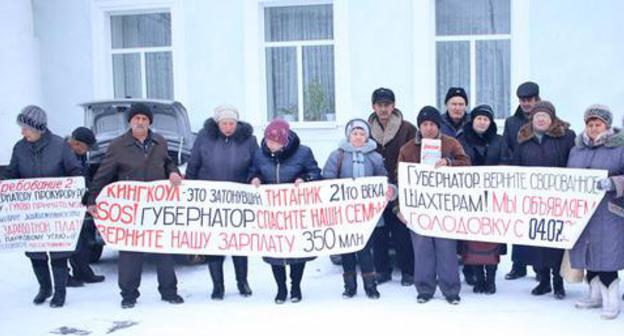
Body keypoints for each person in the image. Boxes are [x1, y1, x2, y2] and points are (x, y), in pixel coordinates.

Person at [86, 103, 184, 309]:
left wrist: (173, 171)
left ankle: (169, 291)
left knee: (164, 248)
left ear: (150, 122)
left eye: (144, 119)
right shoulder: (117, 146)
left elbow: (168, 162)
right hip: (131, 209)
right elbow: (103, 173)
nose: (140, 122)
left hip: (158, 207)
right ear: (130, 121)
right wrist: (92, 198)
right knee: (130, 252)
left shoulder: (160, 142)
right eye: (136, 119)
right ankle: (129, 294)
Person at [4, 105, 83, 307]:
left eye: (26, 128)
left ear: (38, 128)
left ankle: (59, 292)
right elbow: (12, 174)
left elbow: (75, 171)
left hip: (57, 211)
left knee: (58, 252)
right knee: (35, 252)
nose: (22, 132)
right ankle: (44, 287)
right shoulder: (19, 148)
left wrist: (78, 190)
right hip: (31, 213)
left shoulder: (60, 146)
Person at [397, 106, 471, 304]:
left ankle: (451, 290)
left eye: (432, 124)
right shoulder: (407, 149)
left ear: (438, 125)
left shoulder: (451, 143)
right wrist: (400, 208)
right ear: (419, 126)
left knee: (446, 248)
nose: (428, 128)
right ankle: (424, 288)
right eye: (424, 124)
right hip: (419, 207)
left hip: (444, 207)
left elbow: (467, 164)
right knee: (422, 249)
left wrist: (449, 162)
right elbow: (401, 180)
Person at [185, 105, 258, 300]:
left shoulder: (249, 140)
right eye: (224, 123)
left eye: (231, 123)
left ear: (237, 123)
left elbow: (255, 165)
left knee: (239, 243)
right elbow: (194, 163)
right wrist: (188, 189)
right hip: (210, 201)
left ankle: (242, 282)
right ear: (218, 124)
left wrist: (254, 179)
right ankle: (218, 286)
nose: (228, 127)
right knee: (214, 243)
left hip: (238, 201)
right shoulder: (204, 137)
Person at [249, 119, 321, 304]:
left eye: (276, 142)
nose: (272, 146)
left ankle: (295, 286)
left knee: (297, 249)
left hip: (296, 211)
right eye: (269, 141)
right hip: (272, 212)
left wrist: (303, 179)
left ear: (285, 141)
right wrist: (255, 179)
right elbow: (253, 171)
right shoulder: (259, 154)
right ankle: (281, 289)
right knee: (275, 250)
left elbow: (315, 173)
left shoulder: (303, 152)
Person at [513, 101, 575, 300]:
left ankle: (558, 282)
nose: (541, 119)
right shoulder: (523, 138)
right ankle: (543, 281)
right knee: (537, 241)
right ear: (532, 118)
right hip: (533, 200)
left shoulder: (567, 137)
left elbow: (573, 164)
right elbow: (517, 165)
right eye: (537, 116)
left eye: (545, 116)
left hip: (558, 200)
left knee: (555, 240)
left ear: (552, 118)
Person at [567, 105, 623, 319]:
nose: (593, 128)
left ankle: (612, 300)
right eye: (589, 124)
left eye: (597, 124)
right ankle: (595, 295)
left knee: (607, 255)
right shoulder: (577, 149)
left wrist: (613, 183)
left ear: (606, 126)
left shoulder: (619, 148)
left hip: (609, 211)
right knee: (587, 254)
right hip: (582, 212)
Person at [323, 118, 385, 299]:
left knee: (365, 249)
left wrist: (389, 190)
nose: (358, 137)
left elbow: (383, 179)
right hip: (344, 213)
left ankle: (370, 285)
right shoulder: (337, 155)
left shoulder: (374, 156)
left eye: (362, 134)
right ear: (349, 135)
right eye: (355, 133)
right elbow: (328, 180)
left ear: (367, 137)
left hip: (366, 215)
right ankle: (349, 286)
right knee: (347, 250)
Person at [457, 105, 511, 294]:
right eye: (479, 118)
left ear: (491, 122)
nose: (482, 122)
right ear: (473, 120)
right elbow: (456, 162)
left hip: (493, 199)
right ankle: (478, 278)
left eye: (486, 119)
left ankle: (491, 279)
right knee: (471, 239)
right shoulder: (461, 140)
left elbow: (507, 161)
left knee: (491, 239)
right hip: (469, 199)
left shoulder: (499, 140)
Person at [367, 87, 416, 286]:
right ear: (374, 107)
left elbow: (415, 153)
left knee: (401, 232)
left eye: (387, 105)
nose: (384, 109)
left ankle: (408, 272)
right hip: (374, 190)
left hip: (400, 188)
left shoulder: (407, 128)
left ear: (393, 106)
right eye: (380, 105)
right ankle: (382, 270)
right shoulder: (364, 129)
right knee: (378, 232)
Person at [503, 81, 541, 280]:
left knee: (536, 223)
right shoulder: (511, 122)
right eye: (522, 100)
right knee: (518, 222)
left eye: (529, 100)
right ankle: (518, 265)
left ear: (537, 99)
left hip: (540, 179)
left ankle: (538, 266)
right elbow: (507, 147)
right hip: (519, 178)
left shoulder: (546, 119)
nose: (526, 104)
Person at [66, 127, 105, 286]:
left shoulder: (80, 156)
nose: (88, 150)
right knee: (65, 243)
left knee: (81, 241)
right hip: (64, 207)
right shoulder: (63, 155)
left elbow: (85, 178)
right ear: (75, 143)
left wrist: (91, 197)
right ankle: (65, 277)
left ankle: (83, 272)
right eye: (86, 147)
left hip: (79, 205)